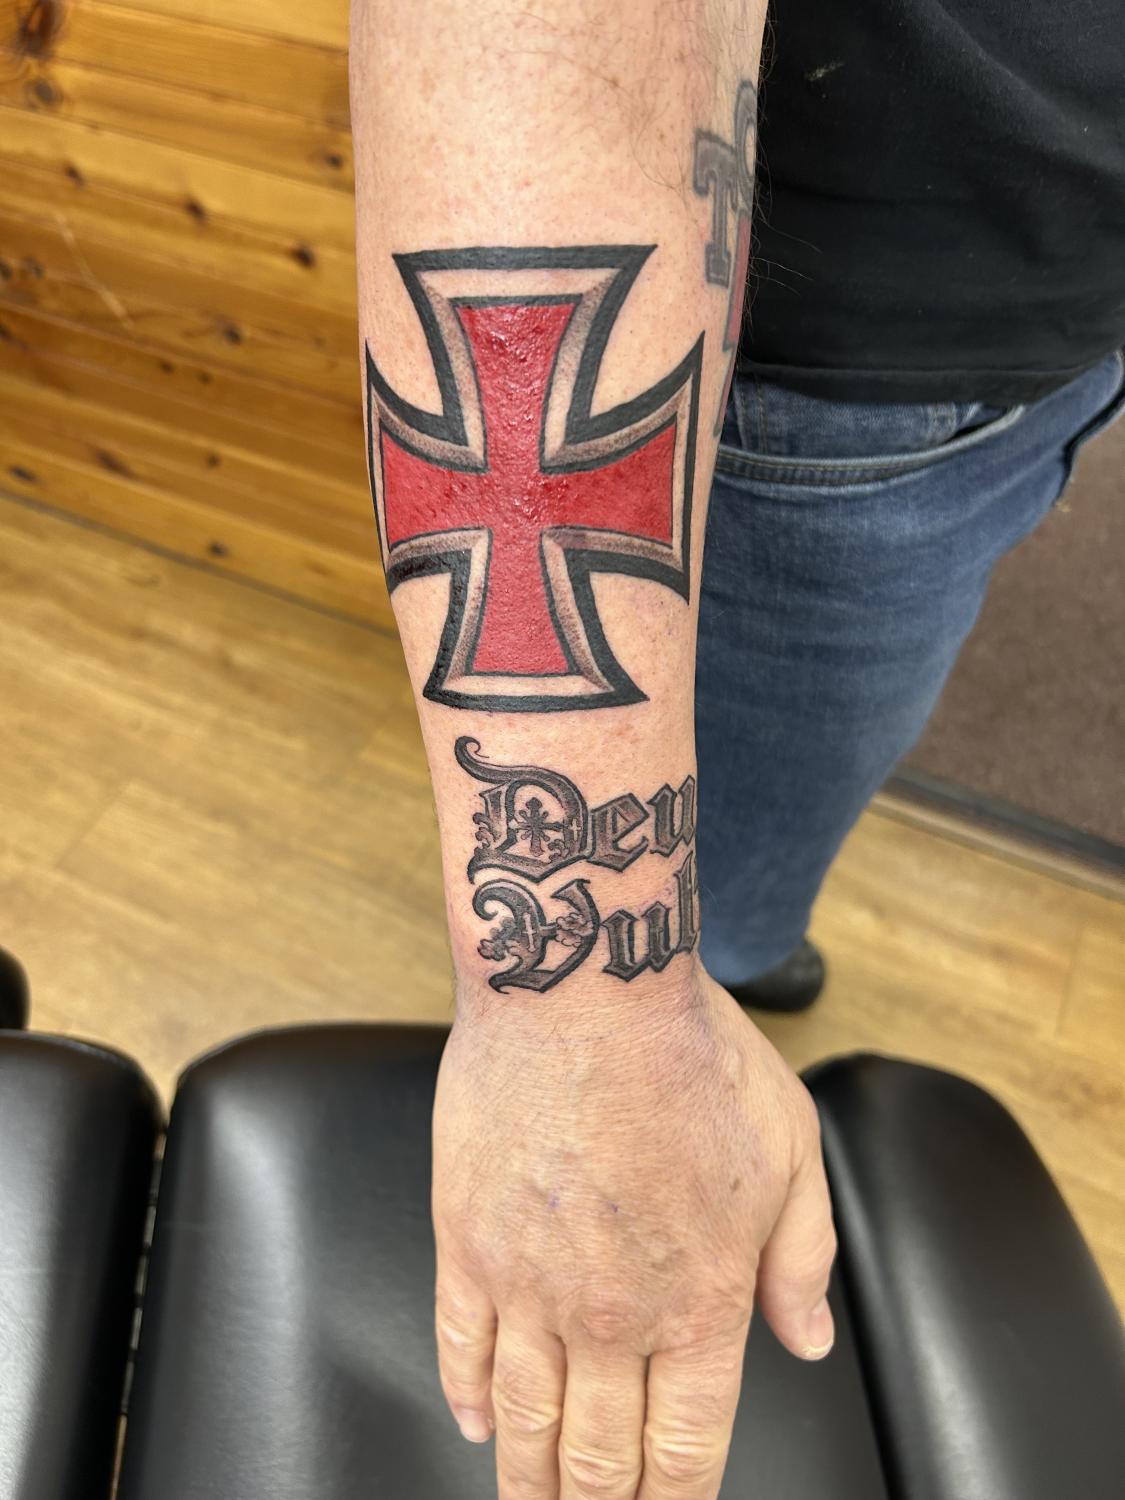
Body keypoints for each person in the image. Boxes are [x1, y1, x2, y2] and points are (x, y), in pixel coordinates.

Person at [348, 1, 1125, 1495]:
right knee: (743, 859)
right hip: (817, 385)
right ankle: (727, 954)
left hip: (1046, 311)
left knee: (774, 836)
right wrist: (593, 1028)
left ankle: (743, 945)